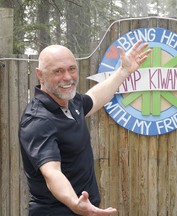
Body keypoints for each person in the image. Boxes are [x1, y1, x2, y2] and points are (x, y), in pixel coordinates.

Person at [18, 40, 151, 215]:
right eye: (58, 71)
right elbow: (52, 173)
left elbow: (94, 97)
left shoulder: (71, 103)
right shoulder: (38, 120)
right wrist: (75, 203)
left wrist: (123, 71)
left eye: (72, 69)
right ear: (40, 75)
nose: (67, 77)